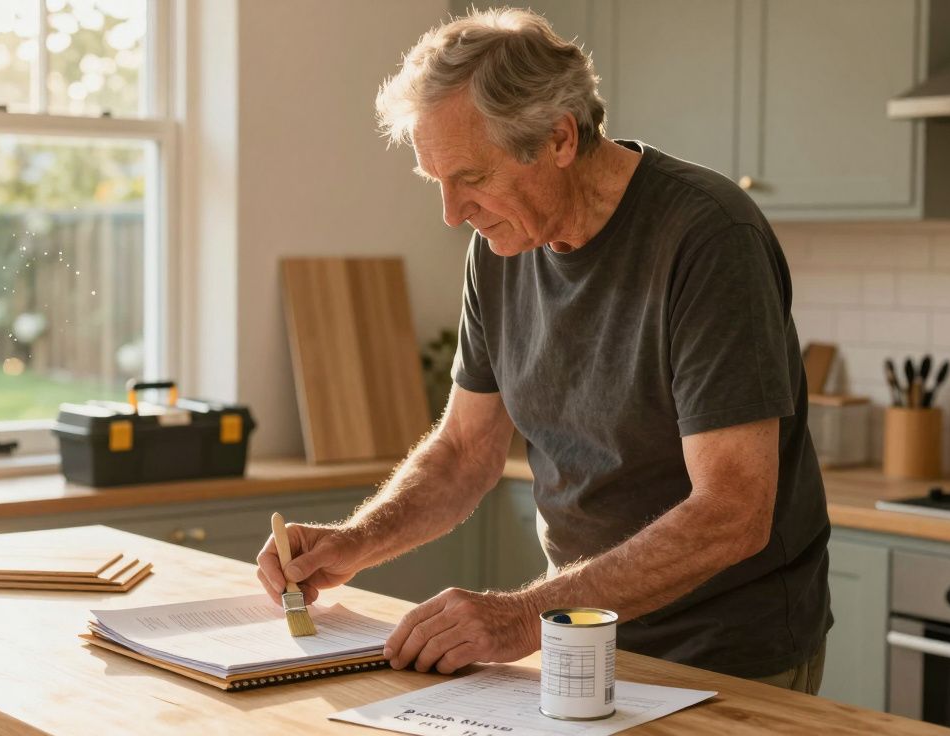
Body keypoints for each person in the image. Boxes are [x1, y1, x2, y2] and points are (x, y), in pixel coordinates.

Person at [256, 7, 831, 693]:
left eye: (471, 177)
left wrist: (524, 616)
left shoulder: (709, 237)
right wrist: (353, 542)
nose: (452, 213)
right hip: (578, 638)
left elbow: (731, 512)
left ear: (559, 137)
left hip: (726, 656)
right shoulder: (501, 248)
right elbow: (464, 451)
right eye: (436, 181)